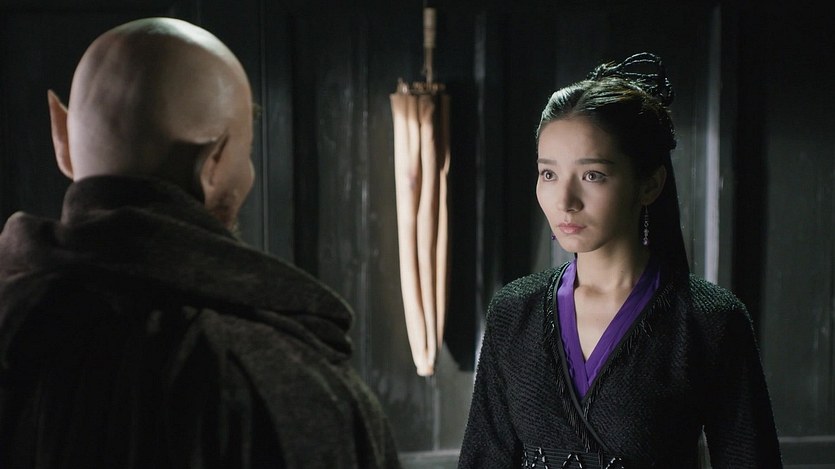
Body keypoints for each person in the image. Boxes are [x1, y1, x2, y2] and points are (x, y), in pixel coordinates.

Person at [0, 17, 401, 468]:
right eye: (247, 151)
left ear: (63, 143)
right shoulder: (282, 385)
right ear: (214, 163)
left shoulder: (17, 332)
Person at [458, 53, 782, 468]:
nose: (565, 201)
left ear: (650, 184)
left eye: (592, 175)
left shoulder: (709, 321)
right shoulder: (514, 312)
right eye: (548, 174)